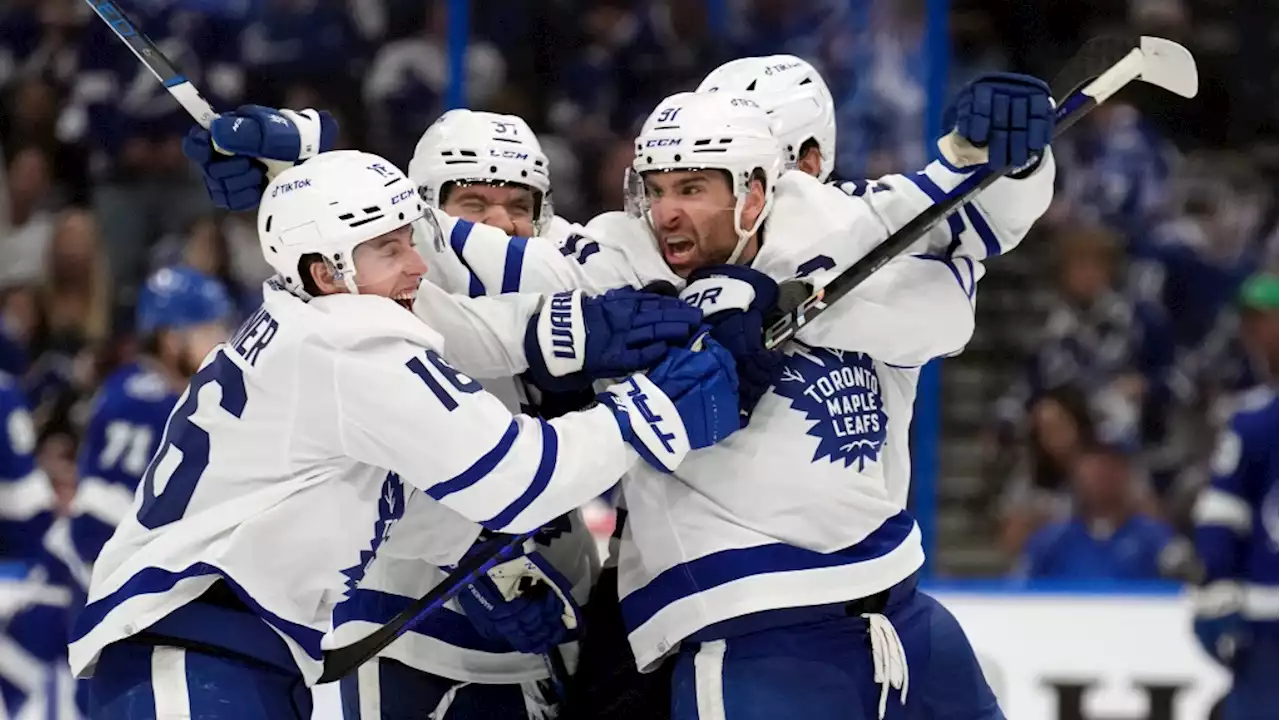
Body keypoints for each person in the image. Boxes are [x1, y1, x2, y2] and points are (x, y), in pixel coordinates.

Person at [187, 68, 1056, 719]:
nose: (669, 213)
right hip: (729, 623)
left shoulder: (844, 235)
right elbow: (426, 253)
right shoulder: (598, 265)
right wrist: (296, 176)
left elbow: (954, 279)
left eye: (696, 189)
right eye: (659, 190)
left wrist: (1003, 158)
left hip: (894, 602)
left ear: (769, 184)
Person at [67, 148, 742, 719]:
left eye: (410, 241)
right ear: (327, 271)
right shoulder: (353, 344)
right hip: (197, 658)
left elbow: (359, 499)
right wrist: (647, 412)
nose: (417, 266)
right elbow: (521, 479)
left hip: (207, 653)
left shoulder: (295, 329)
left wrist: (481, 571)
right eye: (389, 249)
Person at [1190, 272, 1280, 720]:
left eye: (1267, 319)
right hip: (1267, 622)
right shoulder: (1254, 419)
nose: (1257, 333)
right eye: (1252, 322)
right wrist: (1218, 580)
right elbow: (1222, 512)